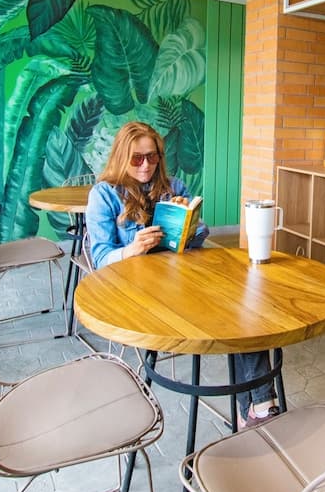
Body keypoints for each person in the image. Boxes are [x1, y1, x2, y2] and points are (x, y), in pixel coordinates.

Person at [85, 121, 277, 429]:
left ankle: (259, 407)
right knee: (235, 310)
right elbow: (99, 260)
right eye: (137, 158)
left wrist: (188, 223)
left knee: (243, 305)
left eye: (152, 156)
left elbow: (198, 236)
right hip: (137, 294)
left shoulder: (173, 187)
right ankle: (257, 408)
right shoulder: (104, 195)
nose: (146, 165)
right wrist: (133, 248)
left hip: (181, 284)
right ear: (122, 157)